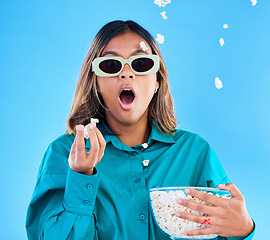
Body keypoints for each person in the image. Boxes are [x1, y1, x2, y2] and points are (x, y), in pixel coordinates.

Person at [26, 20, 255, 240]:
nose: (126, 73)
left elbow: (219, 229)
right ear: (96, 82)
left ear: (157, 81)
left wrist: (243, 230)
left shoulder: (196, 153)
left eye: (141, 63)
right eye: (111, 65)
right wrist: (80, 176)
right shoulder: (65, 154)